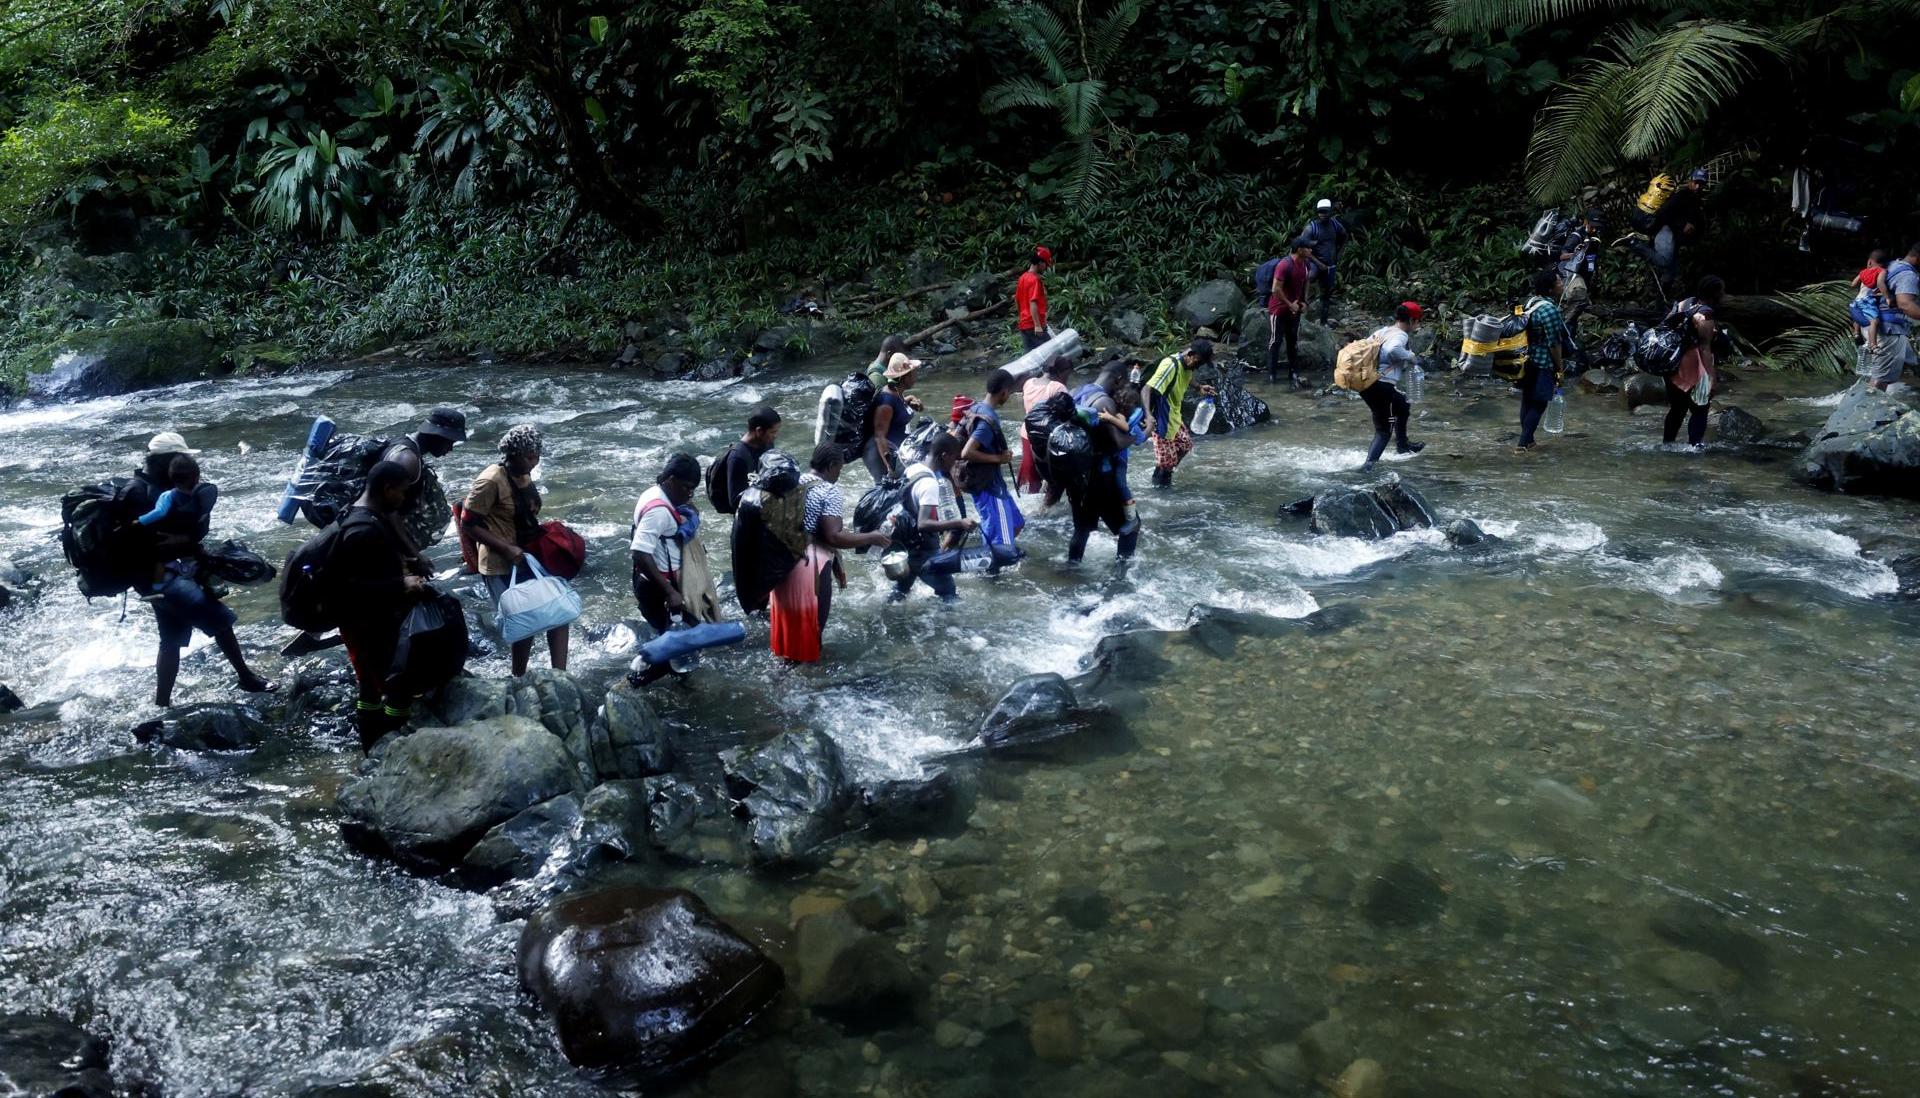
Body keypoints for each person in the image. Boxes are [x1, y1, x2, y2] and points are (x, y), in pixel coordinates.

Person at [121, 432, 275, 708]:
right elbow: (144, 541)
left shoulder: (160, 488)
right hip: (159, 576)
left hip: (169, 573)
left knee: (170, 638)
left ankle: (162, 703)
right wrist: (185, 542)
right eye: (178, 459)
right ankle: (246, 677)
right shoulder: (139, 492)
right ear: (163, 461)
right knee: (219, 619)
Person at [331, 460, 436, 749]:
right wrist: (401, 585)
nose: (404, 499)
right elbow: (350, 587)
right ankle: (387, 747)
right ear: (387, 489)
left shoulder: (370, 516)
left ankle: (380, 746)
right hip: (365, 624)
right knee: (392, 685)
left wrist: (408, 562)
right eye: (401, 492)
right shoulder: (361, 529)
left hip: (375, 618)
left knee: (372, 686)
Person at [462, 424, 569, 676]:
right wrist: (506, 548)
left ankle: (560, 676)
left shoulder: (524, 474)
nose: (535, 461)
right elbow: (469, 523)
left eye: (537, 455)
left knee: (559, 611)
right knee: (523, 621)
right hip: (501, 563)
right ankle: (518, 676)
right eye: (529, 456)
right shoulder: (490, 481)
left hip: (529, 557)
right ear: (512, 454)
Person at [770, 444, 889, 662]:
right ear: (832, 466)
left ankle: (784, 680)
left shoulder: (793, 481)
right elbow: (834, 537)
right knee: (812, 631)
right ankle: (803, 687)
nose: (839, 475)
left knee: (788, 637)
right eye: (840, 469)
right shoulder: (829, 491)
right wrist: (872, 536)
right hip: (808, 568)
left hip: (781, 563)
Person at [1067, 364, 1142, 565]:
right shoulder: (1105, 402)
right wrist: (1137, 436)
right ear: (1118, 379)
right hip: (1102, 477)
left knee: (1081, 530)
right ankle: (1124, 574)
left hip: (1077, 476)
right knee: (1131, 525)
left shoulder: (1075, 392)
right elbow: (1117, 442)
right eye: (1123, 383)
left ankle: (1072, 568)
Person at [891, 432, 975, 603]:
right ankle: (951, 628)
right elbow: (923, 524)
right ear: (944, 456)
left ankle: (888, 615)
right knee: (948, 591)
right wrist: (960, 522)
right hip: (924, 549)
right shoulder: (930, 484)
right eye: (954, 458)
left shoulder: (913, 469)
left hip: (907, 545)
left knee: (901, 590)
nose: (955, 463)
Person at [631, 453, 704, 634]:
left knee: (671, 642)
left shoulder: (654, 493)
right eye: (686, 488)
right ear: (671, 480)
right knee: (673, 645)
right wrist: (670, 592)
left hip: (654, 582)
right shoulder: (658, 511)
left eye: (692, 489)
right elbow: (640, 552)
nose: (689, 494)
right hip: (658, 588)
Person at [959, 368, 1025, 554]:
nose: (1009, 396)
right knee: (1002, 543)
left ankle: (990, 557)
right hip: (989, 488)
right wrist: (998, 458)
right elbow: (967, 452)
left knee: (1017, 524)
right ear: (1004, 391)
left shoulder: (977, 408)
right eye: (1009, 393)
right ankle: (993, 572)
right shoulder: (987, 420)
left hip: (991, 484)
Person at [1142, 339, 1217, 489]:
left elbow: (1186, 376)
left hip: (1174, 416)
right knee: (1167, 464)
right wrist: (1148, 416)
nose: (1198, 367)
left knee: (1186, 445)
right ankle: (1161, 492)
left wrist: (1199, 387)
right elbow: (1146, 389)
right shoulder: (1169, 366)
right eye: (1198, 363)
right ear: (1191, 354)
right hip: (1162, 419)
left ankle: (1163, 470)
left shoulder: (1187, 365)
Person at [1360, 303, 1428, 467]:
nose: (1418, 325)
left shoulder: (1382, 331)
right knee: (1383, 431)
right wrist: (1410, 356)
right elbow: (1392, 350)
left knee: (1402, 404)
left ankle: (1403, 447)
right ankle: (1368, 468)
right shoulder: (1401, 336)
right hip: (1381, 385)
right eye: (1418, 321)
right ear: (1411, 320)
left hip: (1367, 382)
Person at [1664, 276, 1728, 449]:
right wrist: (1711, 378)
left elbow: (1667, 325)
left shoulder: (1684, 303)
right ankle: (1695, 448)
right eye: (1721, 291)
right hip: (1693, 365)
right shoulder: (1706, 315)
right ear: (1714, 293)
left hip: (1672, 363)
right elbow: (1705, 349)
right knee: (1700, 408)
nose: (1723, 294)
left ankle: (1667, 445)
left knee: (1677, 409)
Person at [1516, 269, 1571, 453]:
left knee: (1527, 400)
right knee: (1539, 403)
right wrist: (1559, 368)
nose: (1562, 284)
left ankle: (1529, 441)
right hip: (1542, 361)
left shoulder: (1531, 302)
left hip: (1525, 359)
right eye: (1559, 282)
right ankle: (1522, 445)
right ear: (1550, 289)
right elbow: (1554, 343)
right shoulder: (1549, 309)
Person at [1017, 354, 1072, 496]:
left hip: (1027, 433)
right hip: (1047, 438)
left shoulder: (1029, 382)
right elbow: (1067, 414)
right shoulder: (1057, 387)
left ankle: (1027, 502)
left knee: (1031, 475)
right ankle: (1047, 509)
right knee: (1051, 476)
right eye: (1068, 374)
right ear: (1061, 372)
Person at [1644, 168, 1708, 287]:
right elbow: (1663, 213)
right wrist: (1682, 224)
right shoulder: (1681, 195)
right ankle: (1635, 244)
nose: (1698, 186)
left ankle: (1662, 303)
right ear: (1691, 181)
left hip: (1676, 237)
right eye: (1696, 183)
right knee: (1665, 262)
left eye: (1701, 184)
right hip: (1667, 231)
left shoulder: (1696, 199)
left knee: (1670, 272)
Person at [864, 353, 923, 481]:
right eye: (913, 373)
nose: (916, 377)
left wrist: (910, 400)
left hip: (896, 453)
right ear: (905, 377)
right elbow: (880, 436)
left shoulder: (896, 392)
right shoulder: (886, 402)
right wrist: (890, 468)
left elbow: (897, 407)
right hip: (881, 456)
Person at [1869, 242, 1920, 390]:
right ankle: (1868, 411)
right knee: (1880, 380)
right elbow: (1905, 304)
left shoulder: (1892, 265)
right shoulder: (1907, 275)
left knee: (1880, 374)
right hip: (1889, 330)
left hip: (1875, 325)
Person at [714, 407, 782, 516]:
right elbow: (735, 502)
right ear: (759, 431)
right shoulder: (737, 458)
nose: (776, 435)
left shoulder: (767, 444)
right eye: (773, 432)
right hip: (747, 518)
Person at [1266, 238, 1313, 388]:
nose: (1311, 251)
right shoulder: (1284, 265)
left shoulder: (1305, 264)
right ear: (1300, 249)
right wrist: (1289, 304)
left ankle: (1293, 372)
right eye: (1308, 248)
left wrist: (1304, 301)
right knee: (1276, 341)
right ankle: (1272, 375)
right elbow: (1275, 289)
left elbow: (1306, 281)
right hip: (1279, 309)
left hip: (1295, 309)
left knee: (1293, 341)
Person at [1298, 198, 1349, 326]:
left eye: (1325, 211)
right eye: (1320, 211)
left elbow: (1344, 236)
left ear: (1330, 211)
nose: (1322, 214)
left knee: (1326, 295)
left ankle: (1323, 323)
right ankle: (1300, 318)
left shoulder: (1335, 225)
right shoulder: (1311, 228)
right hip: (1314, 262)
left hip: (1330, 265)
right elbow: (1302, 248)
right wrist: (1317, 262)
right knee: (1308, 279)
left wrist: (1339, 254)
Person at [1556, 209, 1603, 331]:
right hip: (1571, 274)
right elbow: (1562, 256)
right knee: (1578, 300)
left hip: (1585, 273)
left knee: (1579, 305)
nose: (1595, 229)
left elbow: (1592, 258)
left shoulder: (1594, 237)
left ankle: (1570, 330)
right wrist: (1579, 253)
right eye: (1592, 226)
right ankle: (1564, 328)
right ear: (1586, 222)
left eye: (1597, 227)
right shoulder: (1576, 236)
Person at [1016, 246, 1054, 351]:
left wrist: (1022, 318)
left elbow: (1017, 300)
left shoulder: (1022, 278)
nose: (1046, 267)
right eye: (1046, 264)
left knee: (1030, 357)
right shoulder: (1035, 280)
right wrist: (1037, 325)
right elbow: (1033, 302)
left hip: (1024, 324)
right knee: (1051, 354)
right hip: (1034, 326)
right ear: (1040, 263)